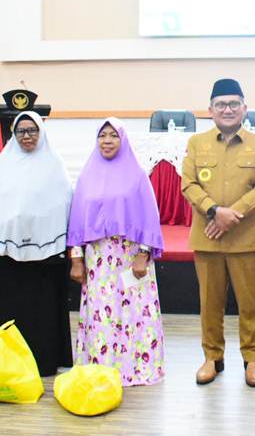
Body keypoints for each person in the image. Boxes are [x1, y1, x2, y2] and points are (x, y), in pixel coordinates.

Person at [181, 78, 255, 387]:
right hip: (207, 236)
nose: (228, 109)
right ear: (210, 110)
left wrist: (232, 214)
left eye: (234, 104)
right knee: (210, 303)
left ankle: (252, 359)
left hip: (245, 239)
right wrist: (214, 211)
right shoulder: (197, 143)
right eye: (221, 104)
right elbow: (189, 184)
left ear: (245, 108)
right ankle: (212, 357)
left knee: (250, 304)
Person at [69, 117, 166, 387]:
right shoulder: (87, 175)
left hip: (130, 258)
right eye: (103, 135)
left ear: (123, 140)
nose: (107, 140)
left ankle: (134, 368)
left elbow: (149, 215)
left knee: (133, 314)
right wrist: (76, 259)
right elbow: (77, 219)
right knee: (101, 314)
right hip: (98, 260)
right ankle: (101, 368)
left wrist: (143, 255)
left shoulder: (136, 175)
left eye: (113, 135)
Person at [0, 111, 73, 376]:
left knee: (41, 310)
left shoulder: (55, 164)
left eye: (32, 130)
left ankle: (43, 360)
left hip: (45, 257)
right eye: (21, 131)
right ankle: (5, 361)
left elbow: (64, 204)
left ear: (41, 132)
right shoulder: (3, 163)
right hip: (8, 256)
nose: (27, 136)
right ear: (13, 134)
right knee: (9, 309)